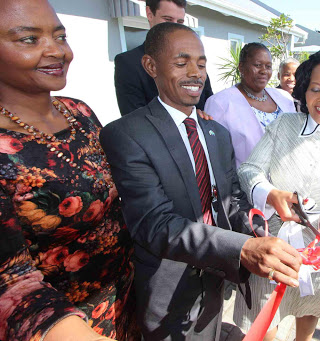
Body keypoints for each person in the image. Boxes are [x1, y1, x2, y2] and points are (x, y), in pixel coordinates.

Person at [99, 23, 302, 341]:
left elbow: (231, 200)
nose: (195, 73)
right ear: (151, 66)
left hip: (216, 280)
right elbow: (155, 223)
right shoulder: (126, 134)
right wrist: (244, 248)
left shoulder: (216, 133)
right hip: (168, 290)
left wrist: (265, 236)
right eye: (181, 63)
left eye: (202, 63)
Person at [0, 1, 139, 340]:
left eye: (60, 36)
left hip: (130, 299)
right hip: (66, 325)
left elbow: (121, 191)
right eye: (29, 39)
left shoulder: (79, 112)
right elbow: (11, 282)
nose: (56, 50)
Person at [234, 51, 320, 341]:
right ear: (304, 91)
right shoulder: (284, 126)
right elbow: (249, 170)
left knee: (309, 307)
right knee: (263, 317)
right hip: (274, 247)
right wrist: (271, 194)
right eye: (315, 89)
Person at [114, 0, 213, 116]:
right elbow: (133, 118)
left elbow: (208, 105)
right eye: (168, 20)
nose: (174, 27)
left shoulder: (195, 63)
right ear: (149, 14)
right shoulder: (128, 62)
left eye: (180, 22)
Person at [204, 43, 296, 167]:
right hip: (247, 183)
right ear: (241, 67)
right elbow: (216, 156)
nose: (264, 71)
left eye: (268, 66)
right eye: (257, 65)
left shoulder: (284, 98)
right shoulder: (220, 103)